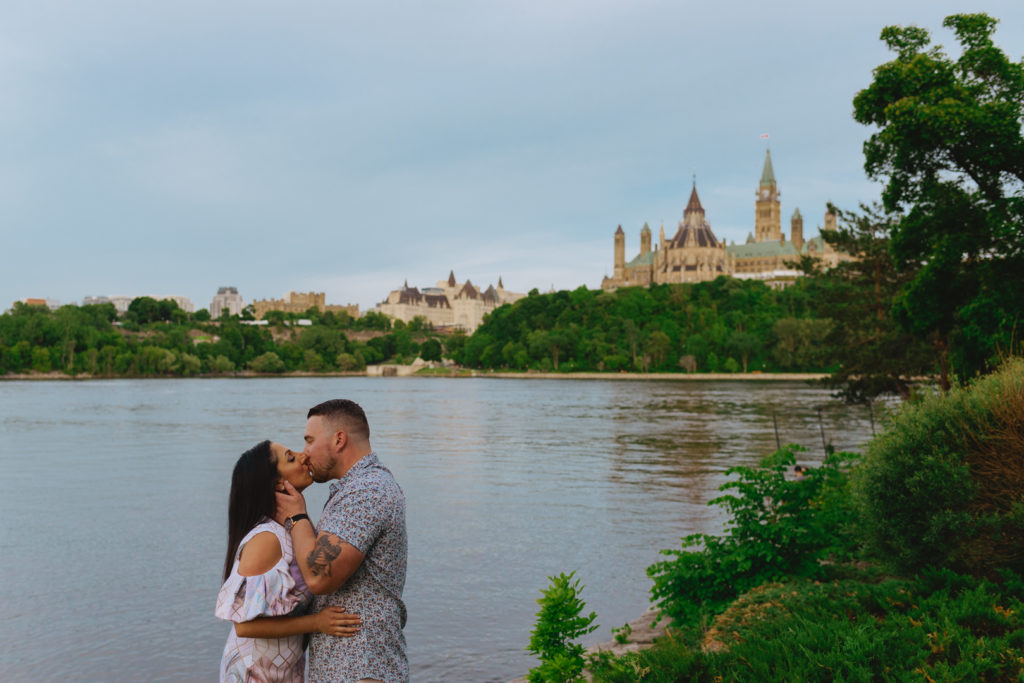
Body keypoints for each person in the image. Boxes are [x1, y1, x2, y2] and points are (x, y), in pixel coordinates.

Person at [275, 399, 408, 683]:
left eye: (309, 440)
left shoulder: (366, 491)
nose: (305, 453)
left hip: (362, 665)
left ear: (339, 439)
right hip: (350, 664)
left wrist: (297, 515)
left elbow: (318, 576)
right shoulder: (357, 488)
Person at [215, 440, 362, 682]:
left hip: (283, 667)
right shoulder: (267, 539)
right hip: (254, 671)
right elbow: (244, 626)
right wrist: (317, 623)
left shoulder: (291, 527)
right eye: (291, 458)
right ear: (275, 483)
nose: (303, 455)